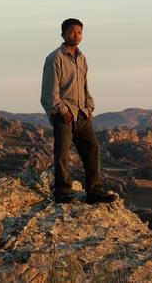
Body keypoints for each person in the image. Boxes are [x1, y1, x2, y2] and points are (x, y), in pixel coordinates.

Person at [40, 18, 117, 204]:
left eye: (79, 32)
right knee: (63, 155)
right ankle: (63, 192)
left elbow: (84, 86)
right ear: (63, 34)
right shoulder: (55, 58)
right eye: (72, 32)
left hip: (82, 114)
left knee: (92, 149)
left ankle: (94, 191)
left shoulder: (82, 58)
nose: (76, 35)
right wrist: (61, 109)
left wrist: (90, 107)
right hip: (64, 115)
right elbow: (50, 91)